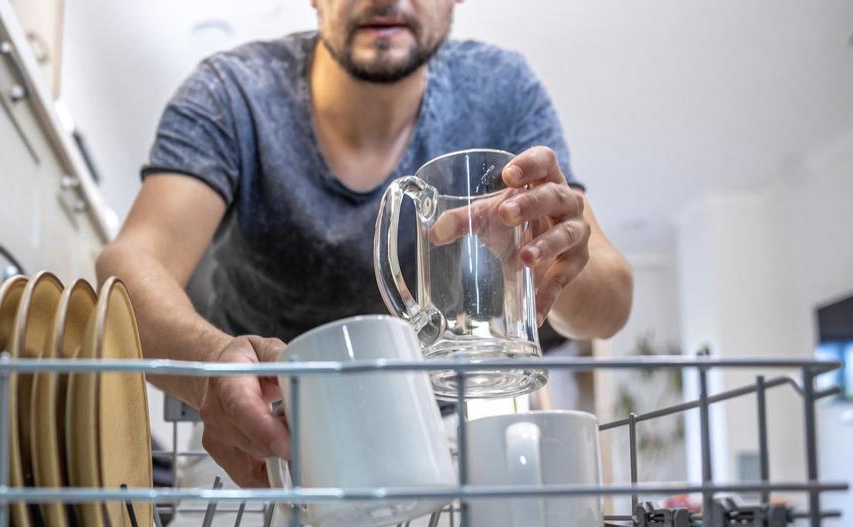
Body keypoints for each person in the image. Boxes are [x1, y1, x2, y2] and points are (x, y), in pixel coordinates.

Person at [97, 0, 634, 487]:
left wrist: (561, 262)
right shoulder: (232, 91)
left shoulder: (504, 92)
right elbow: (131, 261)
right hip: (253, 445)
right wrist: (214, 368)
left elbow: (610, 304)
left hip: (431, 442)